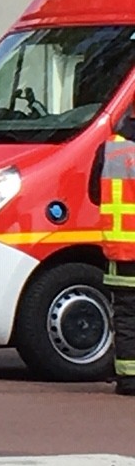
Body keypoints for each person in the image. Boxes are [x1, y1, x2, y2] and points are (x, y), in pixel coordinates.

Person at [100, 137, 135, 395]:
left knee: (127, 317)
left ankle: (129, 378)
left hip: (122, 251)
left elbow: (94, 192)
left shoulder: (111, 148)